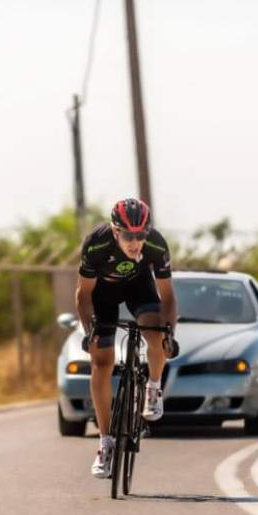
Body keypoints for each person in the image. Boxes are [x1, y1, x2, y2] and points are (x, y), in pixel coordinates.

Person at [76, 198, 178, 478]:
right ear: (115, 230)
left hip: (139, 288)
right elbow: (83, 295)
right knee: (102, 361)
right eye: (129, 236)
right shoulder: (96, 244)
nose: (136, 242)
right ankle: (105, 443)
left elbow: (168, 297)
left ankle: (153, 388)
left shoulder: (156, 245)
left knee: (155, 333)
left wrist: (169, 333)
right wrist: (89, 332)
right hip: (103, 296)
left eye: (141, 235)